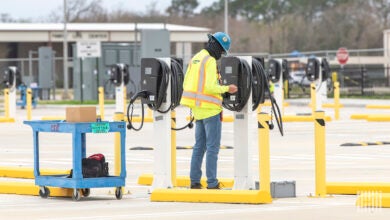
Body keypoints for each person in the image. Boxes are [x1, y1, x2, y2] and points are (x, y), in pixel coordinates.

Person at [180, 32, 238, 189]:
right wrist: (228, 88)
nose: (220, 55)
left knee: (199, 146)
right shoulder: (210, 61)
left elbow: (186, 82)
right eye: (221, 51)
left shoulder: (196, 57)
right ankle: (212, 182)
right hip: (211, 109)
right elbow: (210, 87)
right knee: (213, 148)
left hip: (198, 109)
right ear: (216, 47)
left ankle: (195, 181)